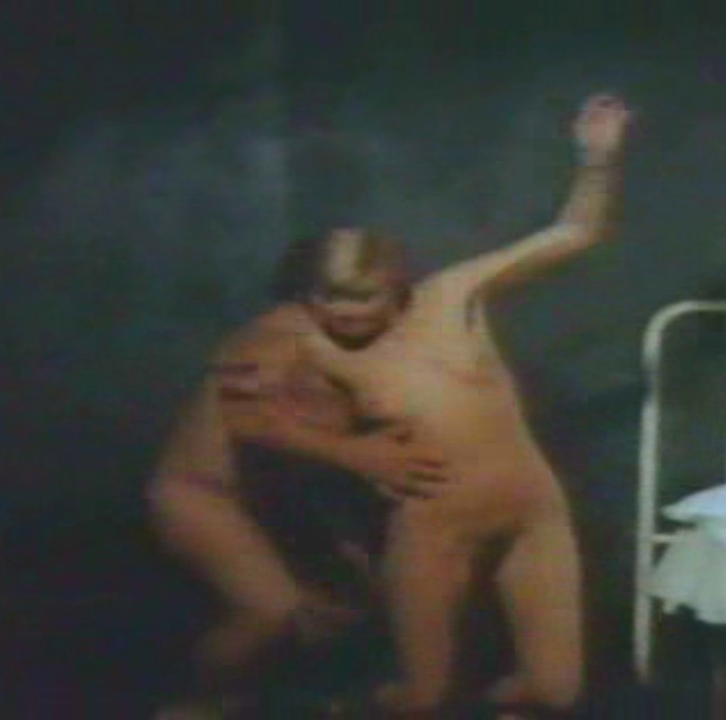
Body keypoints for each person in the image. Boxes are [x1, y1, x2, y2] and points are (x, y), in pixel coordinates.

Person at [285, 93, 631, 718]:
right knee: (423, 698)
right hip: (433, 525)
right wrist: (351, 485)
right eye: (328, 296)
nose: (344, 311)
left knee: (554, 691)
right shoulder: (307, 347)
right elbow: (281, 439)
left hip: (531, 510)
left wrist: (598, 159)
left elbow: (576, 233)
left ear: (395, 287)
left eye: (361, 296)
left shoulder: (451, 295)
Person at [147, 263, 452, 718]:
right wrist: (358, 454)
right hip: (202, 495)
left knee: (360, 601)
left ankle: (280, 699)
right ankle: (197, 706)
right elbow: (244, 420)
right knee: (273, 610)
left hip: (277, 499)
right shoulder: (271, 336)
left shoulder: (372, 345)